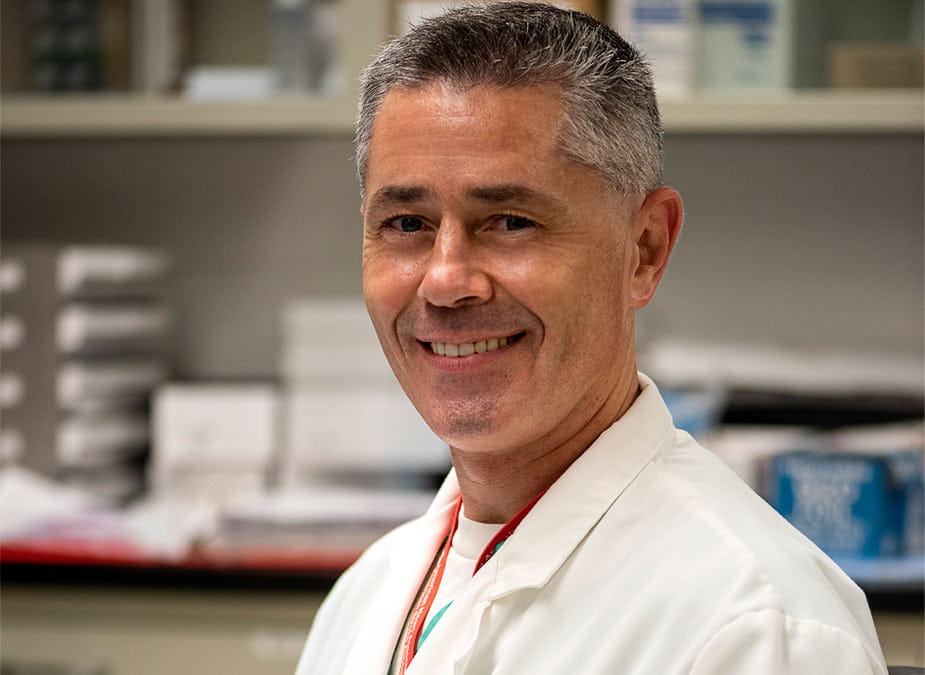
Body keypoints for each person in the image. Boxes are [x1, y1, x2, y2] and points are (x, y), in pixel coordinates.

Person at [296, 3, 888, 673]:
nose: (445, 280)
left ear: (645, 249)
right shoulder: (366, 596)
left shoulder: (756, 629)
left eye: (510, 221)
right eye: (407, 224)